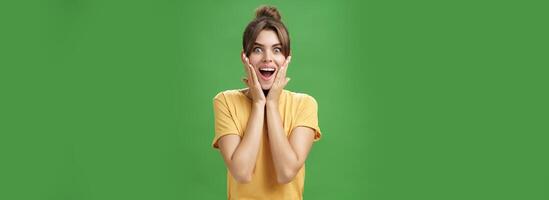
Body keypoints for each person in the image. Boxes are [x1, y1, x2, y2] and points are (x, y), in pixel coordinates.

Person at [211, 5, 322, 200]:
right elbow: (242, 173)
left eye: (277, 50)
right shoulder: (226, 101)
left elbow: (286, 172)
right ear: (245, 58)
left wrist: (271, 105)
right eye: (257, 50)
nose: (268, 59)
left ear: (287, 58)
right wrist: (258, 104)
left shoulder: (304, 104)